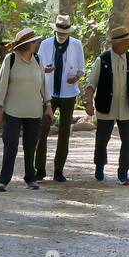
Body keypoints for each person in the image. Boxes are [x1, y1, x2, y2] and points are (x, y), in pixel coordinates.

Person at [0, 27, 51, 191]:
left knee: (30, 145)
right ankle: (3, 180)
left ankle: (30, 178)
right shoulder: (10, 59)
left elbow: (43, 85)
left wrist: (48, 105)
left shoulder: (38, 60)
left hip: (33, 111)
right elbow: (2, 84)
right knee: (10, 145)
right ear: (28, 44)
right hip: (13, 110)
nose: (37, 44)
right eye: (34, 42)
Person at [83, 25, 129, 184]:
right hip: (106, 106)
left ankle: (123, 172)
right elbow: (90, 84)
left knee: (127, 140)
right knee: (102, 139)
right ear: (117, 43)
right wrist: (88, 104)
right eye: (126, 41)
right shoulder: (103, 59)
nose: (128, 43)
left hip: (126, 107)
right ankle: (99, 166)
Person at [35, 14, 85, 182]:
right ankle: (40, 169)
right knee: (43, 131)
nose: (62, 34)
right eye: (59, 31)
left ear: (69, 32)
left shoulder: (77, 45)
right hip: (48, 93)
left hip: (68, 93)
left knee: (64, 133)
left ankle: (58, 170)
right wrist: (45, 70)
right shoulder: (46, 44)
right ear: (55, 30)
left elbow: (81, 69)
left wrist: (76, 78)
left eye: (65, 32)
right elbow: (38, 67)